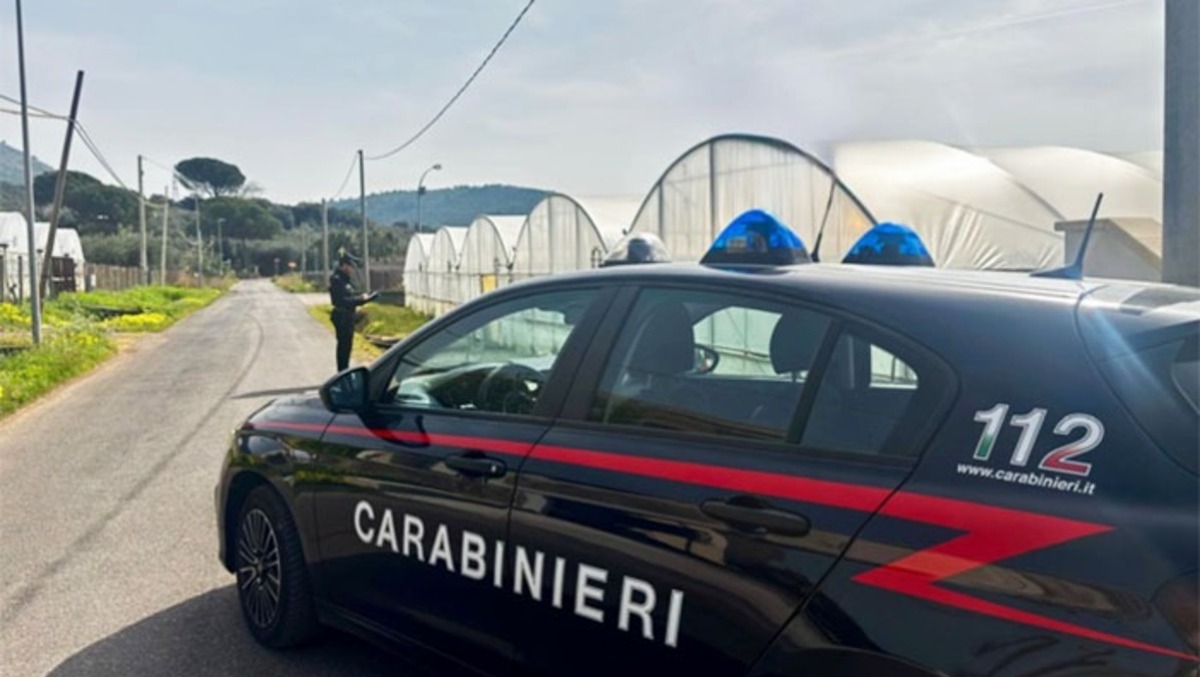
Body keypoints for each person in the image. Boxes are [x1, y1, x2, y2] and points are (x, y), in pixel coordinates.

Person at [329, 253, 378, 372]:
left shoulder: (346, 280)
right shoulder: (337, 280)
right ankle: (342, 372)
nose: (352, 269)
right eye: (350, 266)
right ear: (344, 265)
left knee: (347, 346)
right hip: (342, 316)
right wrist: (362, 300)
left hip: (348, 316)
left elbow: (350, 295)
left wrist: (363, 297)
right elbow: (342, 301)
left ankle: (344, 370)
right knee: (343, 346)